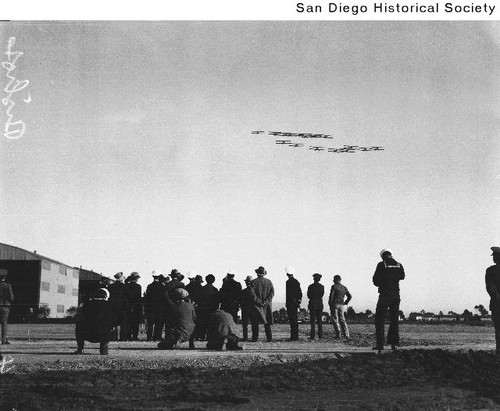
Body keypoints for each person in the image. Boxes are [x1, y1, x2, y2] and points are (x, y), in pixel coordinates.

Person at [372, 249, 405, 352]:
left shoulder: (381, 265)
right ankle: (393, 344)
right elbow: (402, 276)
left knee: (380, 319)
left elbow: (375, 280)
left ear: (382, 256)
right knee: (394, 319)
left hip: (385, 294)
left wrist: (383, 282)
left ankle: (380, 344)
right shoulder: (399, 265)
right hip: (396, 294)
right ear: (391, 255)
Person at [74, 288, 113, 355]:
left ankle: (80, 348)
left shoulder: (85, 304)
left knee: (79, 325)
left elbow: (78, 317)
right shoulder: (110, 305)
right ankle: (104, 349)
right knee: (109, 325)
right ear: (106, 296)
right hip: (104, 334)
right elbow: (114, 319)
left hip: (87, 334)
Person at [191, 274, 219, 342]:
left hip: (202, 308)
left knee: (202, 323)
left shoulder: (202, 289)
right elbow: (217, 300)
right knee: (211, 323)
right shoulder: (215, 290)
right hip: (212, 308)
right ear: (213, 281)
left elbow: (197, 298)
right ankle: (210, 336)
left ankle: (201, 336)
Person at [250, 266, 274, 342]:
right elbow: (272, 293)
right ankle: (269, 338)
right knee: (267, 323)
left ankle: (255, 338)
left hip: (256, 306)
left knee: (255, 323)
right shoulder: (269, 282)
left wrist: (259, 302)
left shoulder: (253, 282)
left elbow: (252, 295)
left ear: (257, 273)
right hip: (267, 306)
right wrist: (266, 301)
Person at [108, 272, 132, 341]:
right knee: (123, 323)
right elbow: (130, 295)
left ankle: (113, 337)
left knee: (113, 323)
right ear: (121, 278)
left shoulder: (111, 286)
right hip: (122, 308)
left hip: (113, 307)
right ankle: (123, 337)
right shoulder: (124, 286)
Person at [486, 246, 500, 355]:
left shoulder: (490, 271)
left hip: (496, 304)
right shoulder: (490, 270)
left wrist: (496, 296)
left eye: (495, 256)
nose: (494, 258)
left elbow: (490, 287)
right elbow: (490, 287)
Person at [328, 275, 352, 339]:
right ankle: (346, 334)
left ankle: (338, 334)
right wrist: (346, 302)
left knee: (335, 319)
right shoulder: (344, 287)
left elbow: (331, 296)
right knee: (342, 319)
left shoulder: (334, 286)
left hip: (335, 304)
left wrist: (330, 304)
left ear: (335, 280)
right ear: (340, 279)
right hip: (341, 304)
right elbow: (350, 296)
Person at [145, 271, 166, 341]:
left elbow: (147, 297)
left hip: (151, 307)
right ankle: (157, 337)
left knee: (150, 324)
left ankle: (149, 337)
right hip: (160, 307)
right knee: (158, 323)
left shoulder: (149, 286)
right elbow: (164, 297)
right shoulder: (162, 286)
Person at [285, 266, 302, 341]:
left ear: (287, 274)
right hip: (295, 303)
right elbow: (300, 292)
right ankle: (295, 336)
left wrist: (287, 302)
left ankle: (293, 336)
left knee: (292, 320)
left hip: (290, 302)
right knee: (295, 320)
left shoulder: (288, 282)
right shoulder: (297, 282)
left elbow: (288, 294)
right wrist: (298, 301)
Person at [307, 273, 324, 340]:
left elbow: (308, 295)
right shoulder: (322, 287)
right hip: (319, 304)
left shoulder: (310, 286)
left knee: (313, 321)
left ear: (314, 278)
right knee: (319, 321)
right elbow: (322, 294)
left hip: (312, 304)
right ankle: (320, 336)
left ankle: (312, 336)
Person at [126, 272, 143, 341]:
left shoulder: (127, 285)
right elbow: (138, 298)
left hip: (128, 305)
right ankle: (135, 336)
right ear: (136, 279)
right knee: (136, 323)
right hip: (136, 306)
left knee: (129, 322)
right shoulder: (138, 286)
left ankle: (128, 336)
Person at [0, 269, 14, 345]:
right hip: (4, 306)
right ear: (4, 277)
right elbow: (11, 297)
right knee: (4, 323)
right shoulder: (8, 285)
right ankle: (3, 340)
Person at [240, 276, 254, 342]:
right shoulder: (255, 291)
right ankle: (254, 337)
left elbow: (241, 301)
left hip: (245, 309)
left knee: (245, 324)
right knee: (254, 323)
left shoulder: (244, 291)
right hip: (253, 309)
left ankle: (245, 337)